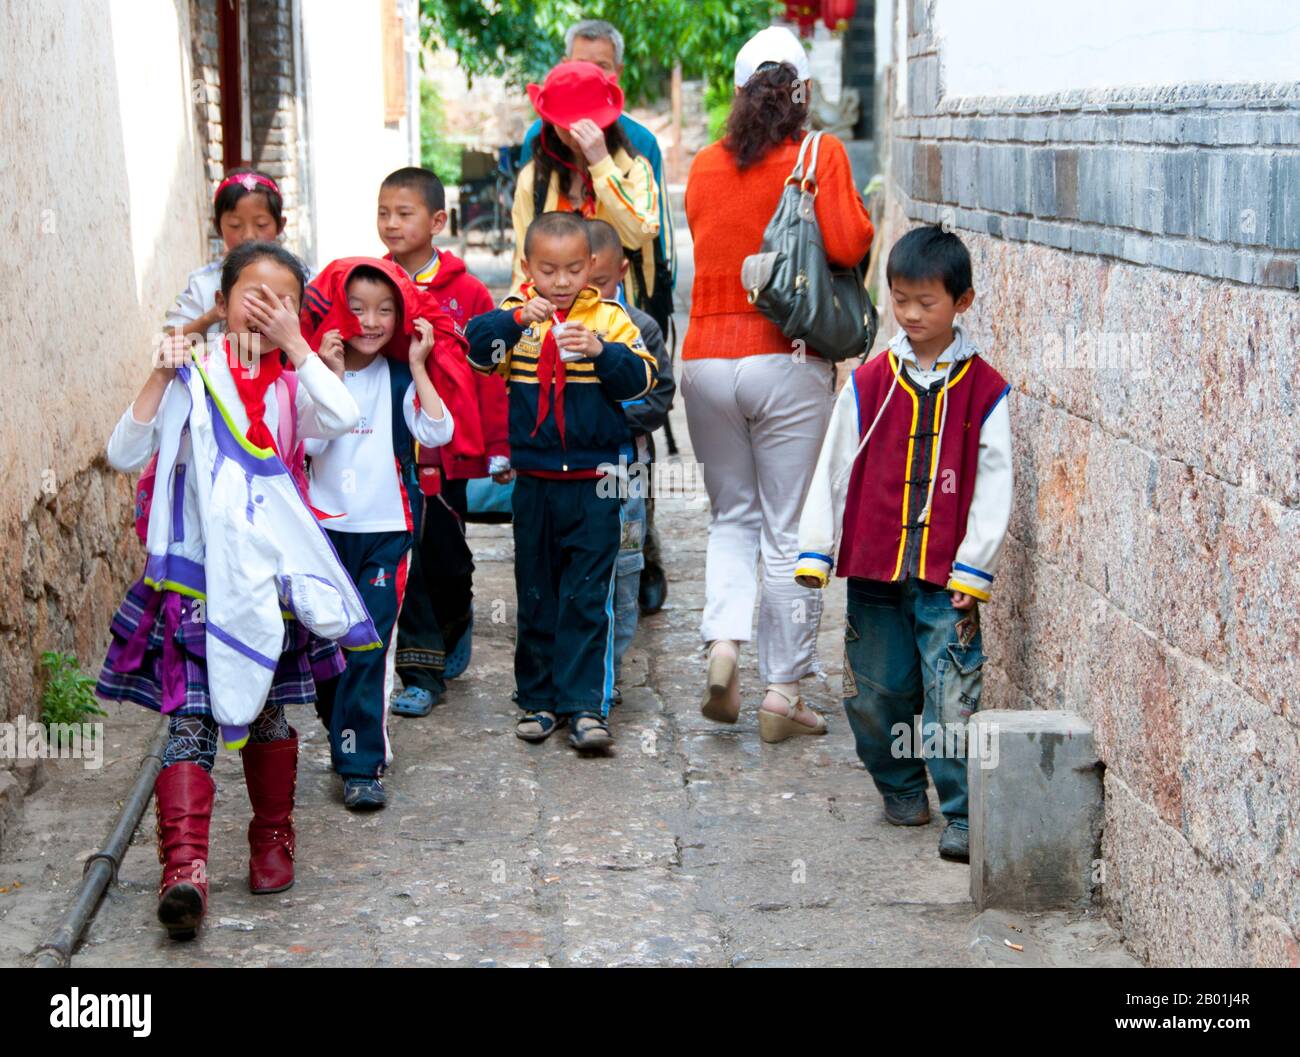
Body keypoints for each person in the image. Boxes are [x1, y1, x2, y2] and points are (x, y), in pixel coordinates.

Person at [97, 241, 367, 940]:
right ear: (223, 299)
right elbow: (124, 453)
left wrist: (299, 348)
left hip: (271, 582)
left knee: (270, 717)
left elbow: (339, 419)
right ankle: (183, 869)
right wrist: (159, 373)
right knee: (190, 721)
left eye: (282, 296)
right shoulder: (195, 372)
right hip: (194, 579)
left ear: (295, 310)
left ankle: (271, 836)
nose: (264, 306)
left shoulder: (290, 384)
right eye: (252, 290)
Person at [795, 225, 1013, 863]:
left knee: (951, 697)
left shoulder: (985, 391)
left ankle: (964, 815)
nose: (912, 314)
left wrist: (974, 569)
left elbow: (995, 484)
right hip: (874, 571)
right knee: (874, 691)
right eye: (900, 300)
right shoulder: (867, 384)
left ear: (962, 302)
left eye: (927, 302)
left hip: (949, 581)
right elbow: (833, 467)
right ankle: (897, 786)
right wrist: (817, 548)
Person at [682, 26, 874, 741]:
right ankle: (782, 692)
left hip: (705, 363)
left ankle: (724, 645)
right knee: (790, 529)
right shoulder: (818, 156)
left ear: (736, 94)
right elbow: (850, 242)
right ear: (804, 92)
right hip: (785, 358)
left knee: (733, 517)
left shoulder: (703, 166)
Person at [466, 212, 656, 753]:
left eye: (574, 268)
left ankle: (587, 706)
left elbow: (642, 381)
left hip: (597, 481)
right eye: (548, 270)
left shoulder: (612, 319)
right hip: (535, 483)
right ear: (527, 268)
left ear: (591, 265)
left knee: (589, 594)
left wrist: (602, 353)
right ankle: (538, 698)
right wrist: (517, 321)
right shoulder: (513, 317)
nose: (562, 281)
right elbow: (479, 354)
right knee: (537, 590)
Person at [299, 258, 473, 810]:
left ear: (401, 316)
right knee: (325, 647)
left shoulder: (398, 376)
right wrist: (328, 379)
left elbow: (438, 429)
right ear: (334, 312)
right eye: (356, 309)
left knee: (368, 645)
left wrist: (420, 365)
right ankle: (344, 730)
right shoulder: (315, 375)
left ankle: (360, 765)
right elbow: (311, 446)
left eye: (384, 310)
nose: (370, 321)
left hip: (387, 532)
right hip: (324, 534)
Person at [375, 166, 506, 716]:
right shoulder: (370, 284)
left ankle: (459, 618)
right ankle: (420, 672)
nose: (390, 223)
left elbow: (489, 373)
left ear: (437, 222)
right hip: (391, 451)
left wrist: (498, 445)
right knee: (411, 557)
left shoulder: (468, 292)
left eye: (403, 214)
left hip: (448, 449)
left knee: (448, 555)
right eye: (382, 213)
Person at [585, 219, 675, 693]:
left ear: (621, 271)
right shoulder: (561, 328)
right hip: (573, 474)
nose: (592, 294)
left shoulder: (641, 327)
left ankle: (611, 671)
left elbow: (658, 398)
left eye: (601, 284)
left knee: (624, 565)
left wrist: (601, 421)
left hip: (626, 469)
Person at [510, 61, 659, 308]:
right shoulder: (534, 178)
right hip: (551, 319)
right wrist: (513, 316)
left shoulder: (635, 168)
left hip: (619, 317)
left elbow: (640, 233)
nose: (576, 132)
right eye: (566, 124)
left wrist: (601, 164)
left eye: (588, 122)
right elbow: (523, 259)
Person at [165, 169, 287, 339]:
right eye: (235, 225)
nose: (249, 235)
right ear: (218, 227)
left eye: (261, 224)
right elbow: (168, 342)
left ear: (280, 225)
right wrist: (211, 316)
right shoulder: (202, 285)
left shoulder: (303, 280)